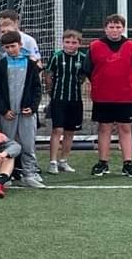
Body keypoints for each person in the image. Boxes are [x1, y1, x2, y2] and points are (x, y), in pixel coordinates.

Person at [83, 13, 132, 178]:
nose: (115, 30)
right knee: (104, 128)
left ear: (123, 28)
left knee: (125, 128)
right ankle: (103, 162)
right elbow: (88, 69)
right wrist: (99, 83)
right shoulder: (94, 46)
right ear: (105, 28)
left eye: (118, 27)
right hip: (103, 96)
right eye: (111, 27)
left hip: (126, 96)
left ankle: (128, 163)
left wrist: (127, 84)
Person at [0, 31, 45, 188]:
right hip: (8, 113)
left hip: (26, 112)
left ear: (20, 45)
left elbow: (37, 89)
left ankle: (29, 173)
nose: (10, 49)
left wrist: (33, 107)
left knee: (28, 144)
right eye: (7, 47)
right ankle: (5, 175)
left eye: (13, 46)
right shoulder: (1, 65)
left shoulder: (30, 64)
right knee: (7, 144)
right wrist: (3, 109)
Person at [44, 29, 87, 174]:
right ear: (63, 42)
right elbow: (48, 74)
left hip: (75, 100)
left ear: (79, 44)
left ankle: (63, 160)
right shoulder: (56, 56)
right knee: (57, 129)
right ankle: (52, 161)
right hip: (58, 99)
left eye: (74, 42)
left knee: (70, 131)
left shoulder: (82, 58)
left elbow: (83, 77)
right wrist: (51, 91)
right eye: (67, 42)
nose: (70, 45)